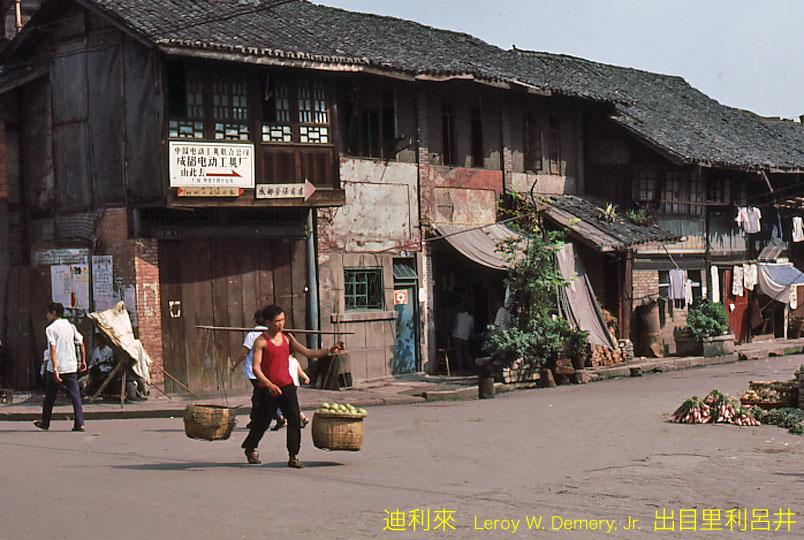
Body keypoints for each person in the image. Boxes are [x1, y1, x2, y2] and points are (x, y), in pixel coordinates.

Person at [242, 304, 343, 468]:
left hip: (287, 386)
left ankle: (293, 455)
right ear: (267, 322)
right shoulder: (261, 341)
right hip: (268, 389)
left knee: (294, 419)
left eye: (283, 320)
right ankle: (250, 447)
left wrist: (329, 351)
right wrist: (268, 384)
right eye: (277, 321)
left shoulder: (287, 338)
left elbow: (308, 352)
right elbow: (256, 368)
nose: (281, 324)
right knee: (263, 421)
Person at [34, 303, 86, 432]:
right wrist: (83, 361)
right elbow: (81, 342)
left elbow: (53, 349)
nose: (47, 315)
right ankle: (80, 423)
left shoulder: (51, 329)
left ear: (53, 313)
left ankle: (45, 423)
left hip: (55, 368)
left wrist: (56, 369)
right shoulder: (71, 326)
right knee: (75, 396)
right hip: (70, 366)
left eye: (48, 313)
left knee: (50, 397)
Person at [230, 309, 268, 430]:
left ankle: (263, 418)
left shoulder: (252, 335)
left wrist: (235, 365)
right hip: (267, 369)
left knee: (259, 396)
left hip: (254, 370)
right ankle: (257, 419)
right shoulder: (270, 334)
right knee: (260, 394)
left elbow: (244, 353)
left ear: (255, 320)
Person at [451, 301, 474, 373]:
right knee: (466, 353)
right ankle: (471, 367)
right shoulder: (471, 318)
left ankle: (461, 368)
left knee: (459, 353)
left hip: (457, 336)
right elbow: (472, 329)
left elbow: (454, 324)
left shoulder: (459, 315)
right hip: (465, 337)